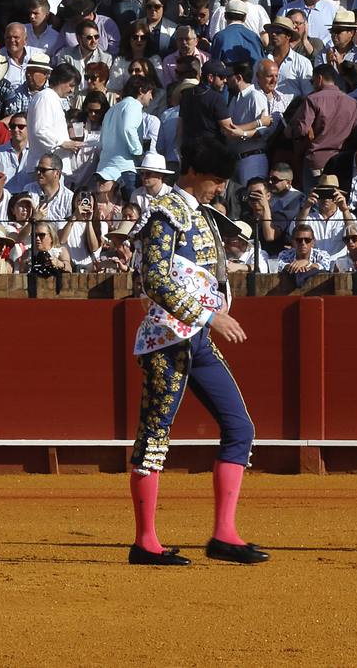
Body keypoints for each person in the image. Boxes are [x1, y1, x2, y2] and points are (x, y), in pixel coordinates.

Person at [128, 135, 266, 567]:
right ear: (193, 174)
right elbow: (154, 280)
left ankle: (224, 534)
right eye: (215, 179)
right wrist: (210, 316)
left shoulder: (202, 216)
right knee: (154, 437)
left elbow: (208, 272)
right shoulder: (164, 216)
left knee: (240, 428)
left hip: (197, 341)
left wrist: (220, 302)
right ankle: (145, 542)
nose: (220, 188)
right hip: (166, 341)